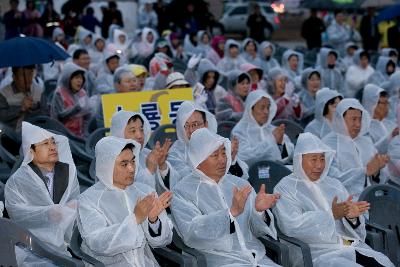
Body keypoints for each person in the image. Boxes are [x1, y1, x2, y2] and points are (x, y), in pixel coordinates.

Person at [273, 132, 395, 267]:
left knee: (384, 263)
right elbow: (291, 225)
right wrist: (331, 215)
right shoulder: (285, 188)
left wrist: (352, 218)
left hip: (349, 245)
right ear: (299, 160)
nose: (319, 165)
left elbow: (351, 222)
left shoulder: (333, 184)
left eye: (322, 159)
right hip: (318, 252)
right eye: (313, 159)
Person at [171, 128, 281, 267]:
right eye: (215, 155)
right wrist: (229, 214)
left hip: (257, 258)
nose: (223, 159)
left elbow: (256, 229)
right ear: (198, 160)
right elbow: (192, 234)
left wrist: (259, 212)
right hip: (220, 261)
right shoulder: (182, 191)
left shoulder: (240, 184)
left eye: (224, 153)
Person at [77, 136, 173, 266]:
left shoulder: (144, 192)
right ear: (107, 166)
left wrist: (153, 221)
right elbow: (98, 243)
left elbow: (161, 242)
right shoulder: (89, 200)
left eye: (133, 162)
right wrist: (135, 219)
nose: (131, 169)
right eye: (124, 164)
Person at [5, 122, 80, 263]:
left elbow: (75, 199)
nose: (52, 147)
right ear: (31, 152)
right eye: (45, 144)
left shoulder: (68, 171)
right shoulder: (18, 180)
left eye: (53, 142)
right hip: (33, 242)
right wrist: (47, 213)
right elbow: (17, 212)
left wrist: (70, 208)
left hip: (69, 239)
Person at [322, 98, 389, 199]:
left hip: (371, 199)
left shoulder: (366, 142)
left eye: (360, 119)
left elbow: (380, 179)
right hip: (342, 202)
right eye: (353, 119)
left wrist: (377, 171)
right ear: (341, 119)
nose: (358, 124)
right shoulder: (328, 143)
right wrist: (364, 171)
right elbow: (331, 179)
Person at [168, 101, 249, 180]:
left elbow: (240, 178)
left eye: (195, 124)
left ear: (206, 125)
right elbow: (185, 180)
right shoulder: (175, 153)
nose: (191, 130)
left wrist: (231, 159)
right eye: (186, 126)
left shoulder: (218, 145)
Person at [110, 110, 180, 192]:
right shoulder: (113, 161)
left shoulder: (148, 154)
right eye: (133, 131)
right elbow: (127, 196)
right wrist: (149, 171)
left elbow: (176, 186)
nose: (139, 135)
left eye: (141, 130)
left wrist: (162, 166)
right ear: (119, 134)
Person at [232, 90, 294, 167]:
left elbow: (286, 158)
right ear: (251, 109)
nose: (266, 111)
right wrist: (271, 140)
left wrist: (280, 144)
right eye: (262, 107)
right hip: (251, 176)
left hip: (276, 173)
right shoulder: (239, 131)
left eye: (268, 107)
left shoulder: (273, 130)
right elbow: (244, 158)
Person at [0, 65, 47, 133]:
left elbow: (46, 114)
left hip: (36, 134)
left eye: (30, 74)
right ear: (14, 77)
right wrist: (20, 108)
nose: (28, 78)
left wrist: (33, 109)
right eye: (23, 75)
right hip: (11, 137)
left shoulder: (38, 91)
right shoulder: (4, 93)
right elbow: (2, 117)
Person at [51, 63, 91, 137]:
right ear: (68, 79)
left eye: (81, 78)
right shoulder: (60, 93)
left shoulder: (82, 93)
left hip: (80, 134)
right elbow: (60, 116)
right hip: (63, 134)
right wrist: (76, 108)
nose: (80, 81)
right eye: (76, 78)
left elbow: (87, 116)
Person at [362, 84, 398, 154]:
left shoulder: (389, 123)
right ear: (372, 104)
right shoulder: (364, 129)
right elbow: (369, 152)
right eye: (384, 103)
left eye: (388, 103)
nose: (387, 106)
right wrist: (391, 136)